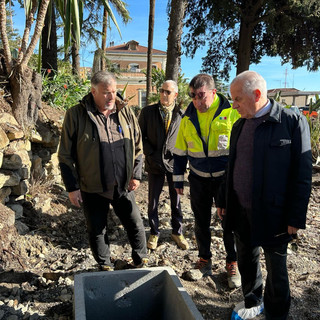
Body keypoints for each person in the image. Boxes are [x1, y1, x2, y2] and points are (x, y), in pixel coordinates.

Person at [216, 70, 312, 319]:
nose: (233, 105)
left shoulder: (291, 122)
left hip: (275, 213)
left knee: (276, 267)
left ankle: (277, 313)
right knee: (246, 259)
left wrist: (295, 218)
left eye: (237, 99)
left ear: (257, 94)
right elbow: (231, 166)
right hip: (240, 209)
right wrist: (223, 200)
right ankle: (252, 301)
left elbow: (302, 175)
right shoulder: (239, 125)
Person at [58, 71, 148, 271]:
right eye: (106, 93)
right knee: (97, 229)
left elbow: (138, 146)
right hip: (92, 186)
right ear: (93, 92)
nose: (111, 97)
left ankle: (141, 260)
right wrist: (72, 188)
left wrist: (137, 174)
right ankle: (105, 265)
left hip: (123, 184)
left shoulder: (125, 112)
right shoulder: (75, 114)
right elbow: (65, 155)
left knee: (135, 223)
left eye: (114, 92)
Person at [173, 73, 241, 287]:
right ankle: (204, 261)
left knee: (229, 222)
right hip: (198, 180)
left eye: (201, 96)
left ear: (213, 92)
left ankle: (233, 263)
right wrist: (177, 181)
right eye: (193, 97)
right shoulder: (187, 118)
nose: (197, 102)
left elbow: (241, 149)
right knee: (201, 222)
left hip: (225, 180)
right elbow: (179, 152)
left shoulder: (231, 113)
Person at [138, 80, 189, 250]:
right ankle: (154, 232)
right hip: (154, 163)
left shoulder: (182, 115)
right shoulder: (147, 112)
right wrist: (150, 152)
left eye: (168, 92)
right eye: (162, 91)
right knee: (153, 200)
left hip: (176, 164)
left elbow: (186, 140)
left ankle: (177, 231)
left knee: (177, 200)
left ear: (175, 95)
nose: (164, 94)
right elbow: (140, 136)